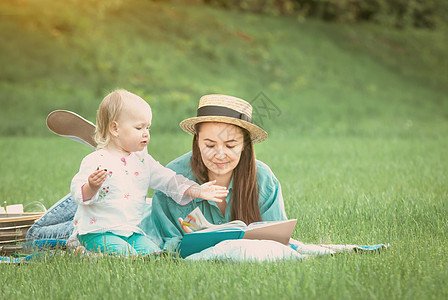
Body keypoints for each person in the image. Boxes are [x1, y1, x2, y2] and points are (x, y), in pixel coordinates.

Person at [69, 89, 228, 255]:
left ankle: (99, 254)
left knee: (153, 254)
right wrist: (92, 186)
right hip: (98, 231)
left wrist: (198, 190)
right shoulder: (96, 160)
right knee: (124, 254)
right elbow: (79, 194)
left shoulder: (142, 160)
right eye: (139, 128)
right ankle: (84, 252)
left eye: (148, 127)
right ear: (115, 128)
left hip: (131, 232)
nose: (146, 134)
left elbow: (168, 180)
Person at [146, 94, 289, 251]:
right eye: (209, 145)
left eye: (230, 145)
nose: (220, 155)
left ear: (244, 144)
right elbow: (164, 243)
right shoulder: (173, 179)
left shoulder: (263, 179)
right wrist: (192, 243)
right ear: (197, 140)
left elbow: (276, 242)